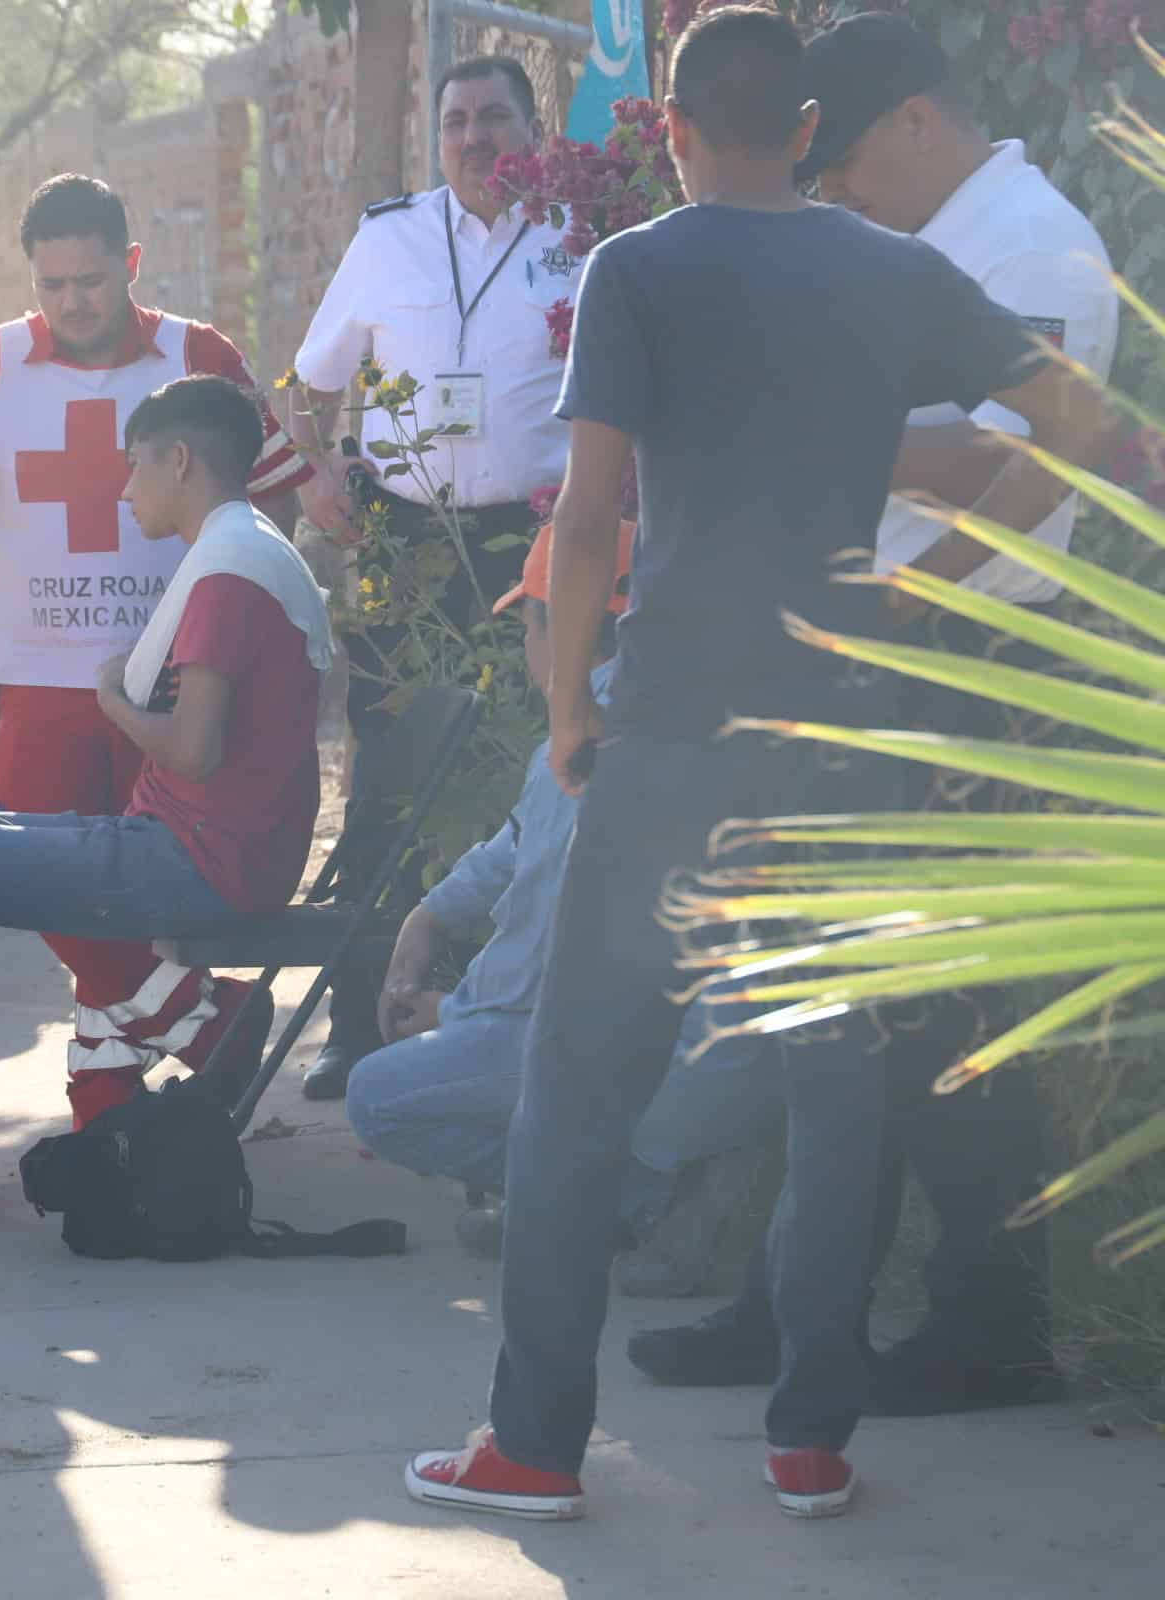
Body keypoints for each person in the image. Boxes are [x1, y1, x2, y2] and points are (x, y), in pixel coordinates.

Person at [403, 6, 1101, 1523]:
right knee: (839, 1094)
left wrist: (570, 708)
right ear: (803, 126)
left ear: (671, 129)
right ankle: (810, 1443)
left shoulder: (636, 271)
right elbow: (1085, 427)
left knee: (577, 1093)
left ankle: (533, 1444)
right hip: (844, 740)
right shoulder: (902, 270)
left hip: (674, 744)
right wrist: (915, 530)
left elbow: (589, 516)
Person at [629, 9, 1120, 1416]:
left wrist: (883, 587)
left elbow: (1034, 481)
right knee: (839, 1006)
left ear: (917, 119)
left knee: (942, 1016)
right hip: (878, 672)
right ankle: (804, 1309)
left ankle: (989, 1329)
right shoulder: (928, 243)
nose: (830, 188)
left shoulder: (1031, 247)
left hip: (962, 678)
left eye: (841, 160)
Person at [0, 375, 332, 1223]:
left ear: (182, 460)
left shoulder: (231, 570)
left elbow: (195, 749)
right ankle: (189, 1027)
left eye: (134, 468)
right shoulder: (248, 546)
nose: (125, 491)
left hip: (197, 859)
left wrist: (115, 707)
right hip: (196, 844)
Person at [0, 174, 312, 1129]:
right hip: (39, 680)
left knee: (126, 899)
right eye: (51, 284)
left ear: (130, 265)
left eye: (92, 280)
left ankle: (104, 1102)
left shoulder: (199, 354)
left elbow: (273, 495)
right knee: (39, 884)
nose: (72, 303)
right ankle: (202, 1020)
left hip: (181, 680)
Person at [344, 523, 782, 1281]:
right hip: (725, 1044)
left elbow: (542, 967)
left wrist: (448, 1012)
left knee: (379, 1097)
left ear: (563, 619)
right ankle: (640, 1183)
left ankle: (638, 1196)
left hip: (663, 1057)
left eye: (525, 620)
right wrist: (431, 914)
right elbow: (518, 843)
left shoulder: (595, 735)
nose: (524, 644)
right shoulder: (679, 702)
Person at [286, 53, 584, 1102]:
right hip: (405, 545)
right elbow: (304, 386)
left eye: (493, 117)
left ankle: (483, 1012)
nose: (472, 138)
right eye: (454, 121)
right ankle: (354, 1022)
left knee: (523, 778)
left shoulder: (580, 236)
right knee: (387, 781)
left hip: (530, 546)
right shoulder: (389, 235)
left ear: (531, 130)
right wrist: (321, 473)